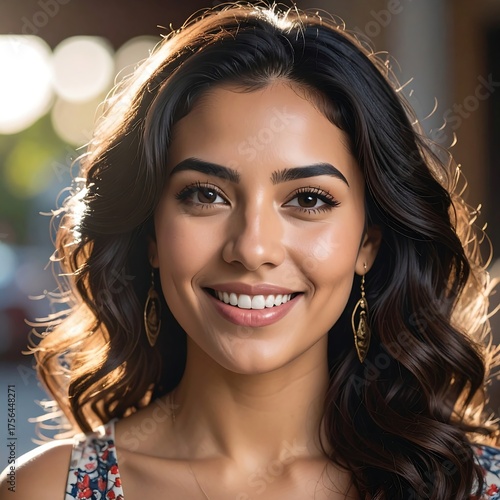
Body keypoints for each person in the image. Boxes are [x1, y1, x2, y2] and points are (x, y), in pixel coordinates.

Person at [1, 2, 500, 499]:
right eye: (205, 194)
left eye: (308, 200)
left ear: (368, 243)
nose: (253, 248)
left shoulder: (474, 487)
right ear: (150, 233)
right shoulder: (43, 490)